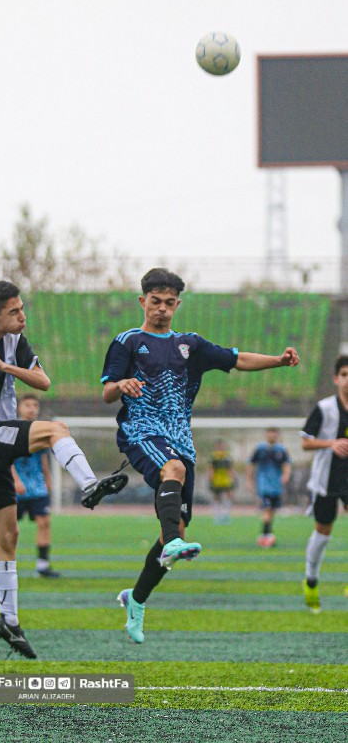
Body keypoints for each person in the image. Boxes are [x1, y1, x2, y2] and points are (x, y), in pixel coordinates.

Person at [0, 280, 127, 660]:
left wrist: (4, 366)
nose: (22, 316)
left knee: (8, 533)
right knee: (57, 429)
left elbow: (44, 382)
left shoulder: (15, 342)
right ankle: (89, 485)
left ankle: (9, 619)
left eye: (22, 308)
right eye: (15, 311)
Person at [100, 267, 299, 644]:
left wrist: (278, 360)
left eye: (169, 302)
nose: (162, 308)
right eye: (155, 301)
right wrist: (121, 384)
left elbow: (237, 359)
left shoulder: (190, 345)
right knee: (172, 471)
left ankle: (135, 599)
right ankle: (172, 545)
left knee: (173, 531)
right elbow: (108, 392)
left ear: (177, 304)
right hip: (141, 431)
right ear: (143, 302)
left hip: (180, 439)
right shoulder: (127, 341)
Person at [0, 393, 60, 579]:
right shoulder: (12, 429)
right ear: (19, 408)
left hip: (37, 487)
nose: (32, 409)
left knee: (44, 522)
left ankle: (42, 565)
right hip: (14, 488)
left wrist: (48, 479)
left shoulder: (41, 429)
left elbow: (43, 458)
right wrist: (16, 480)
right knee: (7, 529)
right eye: (27, 405)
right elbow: (6, 459)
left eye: (35, 405)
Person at [301, 355, 348, 613]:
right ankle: (311, 579)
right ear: (336, 379)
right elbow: (305, 442)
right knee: (323, 531)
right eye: (344, 375)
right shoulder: (325, 408)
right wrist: (331, 443)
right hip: (326, 479)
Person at [246, 428, 291, 548]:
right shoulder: (260, 448)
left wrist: (286, 475)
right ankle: (266, 536)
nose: (272, 436)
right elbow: (251, 464)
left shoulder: (281, 449)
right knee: (267, 509)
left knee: (272, 511)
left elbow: (286, 464)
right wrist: (249, 480)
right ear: (266, 434)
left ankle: (266, 534)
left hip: (276, 486)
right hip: (264, 485)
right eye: (270, 433)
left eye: (274, 433)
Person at [207, 439, 236, 524]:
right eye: (219, 446)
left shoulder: (227, 457)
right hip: (216, 480)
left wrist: (232, 478)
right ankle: (217, 515)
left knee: (228, 496)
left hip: (226, 480)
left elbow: (230, 469)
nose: (221, 447)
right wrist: (210, 478)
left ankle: (226, 515)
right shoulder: (213, 457)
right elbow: (210, 469)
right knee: (217, 497)